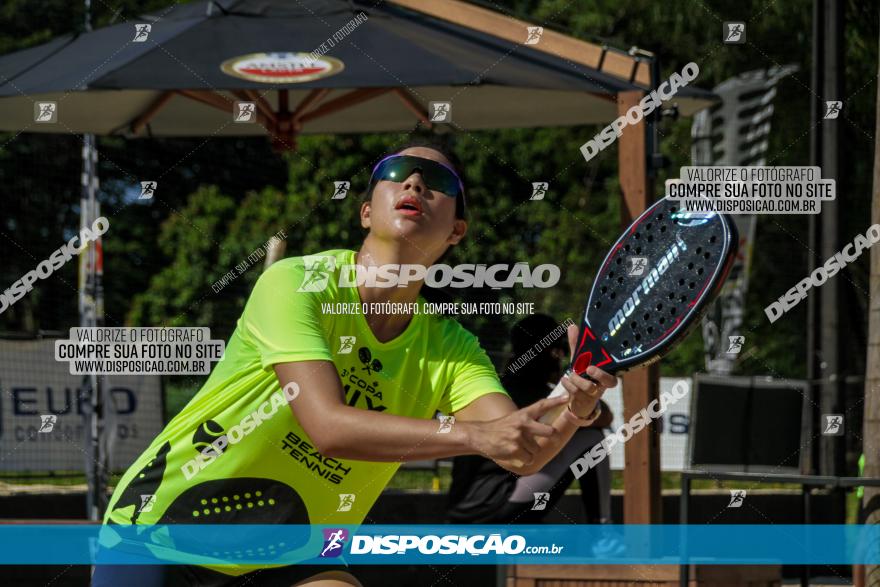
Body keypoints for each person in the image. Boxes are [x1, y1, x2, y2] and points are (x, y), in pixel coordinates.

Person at [92, 141, 617, 587]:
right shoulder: (297, 282)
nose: (413, 181)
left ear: (457, 230)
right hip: (162, 528)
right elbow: (326, 427)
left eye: (436, 179)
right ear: (366, 211)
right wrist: (471, 435)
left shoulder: (452, 346)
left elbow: (521, 452)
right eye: (394, 174)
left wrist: (573, 406)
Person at [447, 314, 613, 524]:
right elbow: (605, 416)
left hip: (461, 509)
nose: (559, 357)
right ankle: (603, 534)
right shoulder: (536, 392)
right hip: (497, 506)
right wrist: (578, 386)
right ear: (550, 353)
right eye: (557, 352)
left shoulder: (493, 388)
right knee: (592, 439)